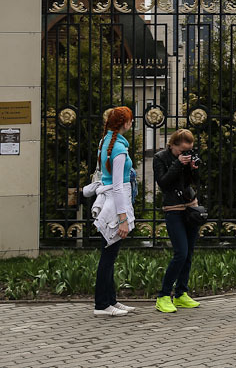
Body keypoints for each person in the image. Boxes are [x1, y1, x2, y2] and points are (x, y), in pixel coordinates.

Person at [153, 128, 202, 313]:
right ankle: (163, 296)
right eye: (182, 151)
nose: (186, 154)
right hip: (173, 209)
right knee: (180, 252)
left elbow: (195, 182)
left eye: (188, 150)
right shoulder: (160, 158)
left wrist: (193, 168)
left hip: (190, 208)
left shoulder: (188, 157)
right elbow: (163, 183)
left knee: (188, 253)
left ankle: (181, 293)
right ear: (172, 145)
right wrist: (177, 163)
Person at [93, 106, 136, 317]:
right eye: (130, 120)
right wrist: (123, 219)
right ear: (125, 124)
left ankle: (110, 300)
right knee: (108, 256)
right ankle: (102, 304)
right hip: (115, 206)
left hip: (110, 202)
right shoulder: (118, 148)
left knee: (109, 254)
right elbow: (118, 186)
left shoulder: (107, 142)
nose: (132, 123)